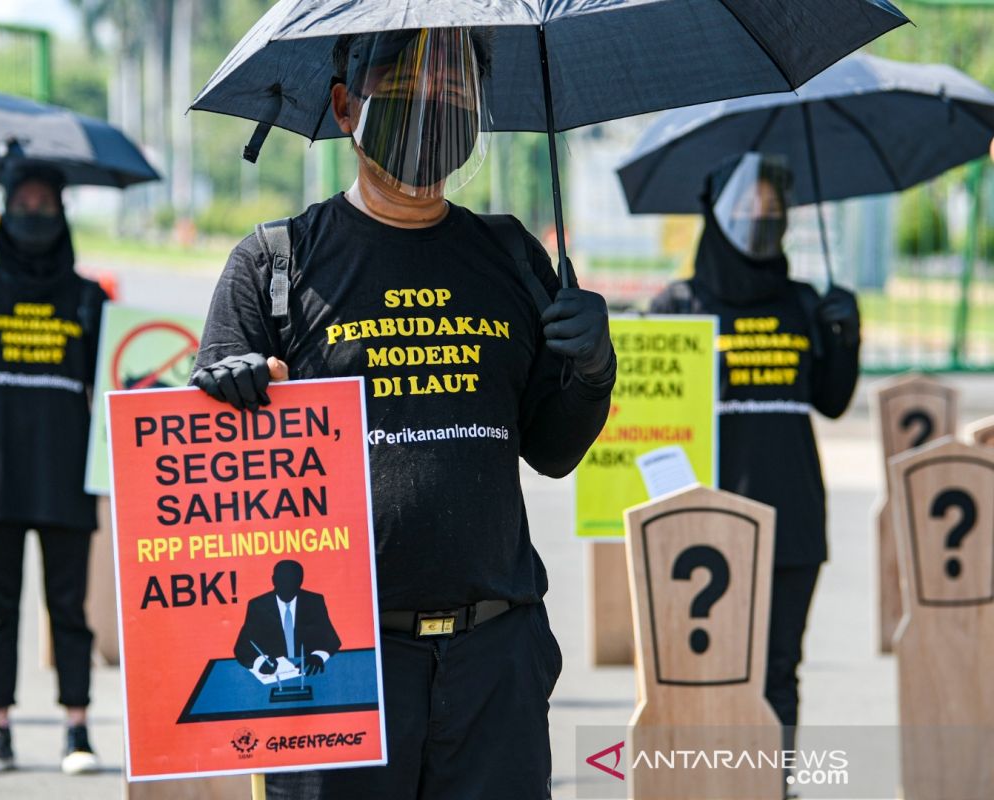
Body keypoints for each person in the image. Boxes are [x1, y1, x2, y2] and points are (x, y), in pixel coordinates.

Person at [190, 27, 616, 800]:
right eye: (405, 86)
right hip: (337, 666)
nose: (432, 103)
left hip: (496, 664)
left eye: (454, 89)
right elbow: (210, 483)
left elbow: (552, 450)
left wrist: (591, 372)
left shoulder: (513, 256)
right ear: (345, 105)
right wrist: (228, 393)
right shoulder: (275, 265)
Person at [649, 153, 861, 772]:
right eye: (747, 207)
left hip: (792, 514)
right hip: (704, 521)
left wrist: (845, 337)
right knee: (704, 667)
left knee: (777, 668)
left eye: (771, 208)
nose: (760, 217)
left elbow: (832, 400)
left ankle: (774, 782)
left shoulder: (802, 302)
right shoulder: (676, 305)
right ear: (714, 214)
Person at [0, 160, 108, 776]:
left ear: (62, 216)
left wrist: (104, 328)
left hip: (65, 473)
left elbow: (113, 384)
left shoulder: (88, 297)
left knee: (70, 612)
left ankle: (77, 731)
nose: (34, 215)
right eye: (23, 204)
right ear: (4, 214)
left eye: (45, 204)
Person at [233, 560, 341, 675]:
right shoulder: (258, 605)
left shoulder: (314, 601)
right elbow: (242, 647)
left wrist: (318, 655)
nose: (287, 584)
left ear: (301, 580)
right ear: (273, 580)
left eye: (292, 579)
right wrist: (259, 661)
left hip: (307, 672)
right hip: (273, 676)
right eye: (282, 579)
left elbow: (332, 640)